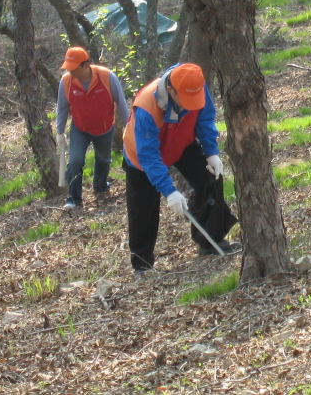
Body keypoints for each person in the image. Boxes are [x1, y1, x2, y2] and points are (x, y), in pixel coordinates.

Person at [123, 63, 238, 273]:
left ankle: (210, 241)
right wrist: (169, 191)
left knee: (209, 181)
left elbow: (204, 118)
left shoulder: (196, 87)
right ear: (170, 91)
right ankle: (142, 265)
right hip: (141, 158)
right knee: (143, 210)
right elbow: (149, 156)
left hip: (182, 143)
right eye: (184, 102)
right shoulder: (147, 107)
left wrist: (211, 151)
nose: (189, 107)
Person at [56, 47, 129, 210]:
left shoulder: (107, 77)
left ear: (85, 65)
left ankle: (100, 186)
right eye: (68, 67)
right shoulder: (66, 81)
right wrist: (59, 131)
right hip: (80, 128)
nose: (70, 71)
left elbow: (122, 104)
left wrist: (129, 127)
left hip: (104, 127)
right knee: (75, 161)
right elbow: (61, 107)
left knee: (103, 160)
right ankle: (74, 198)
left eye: (73, 67)